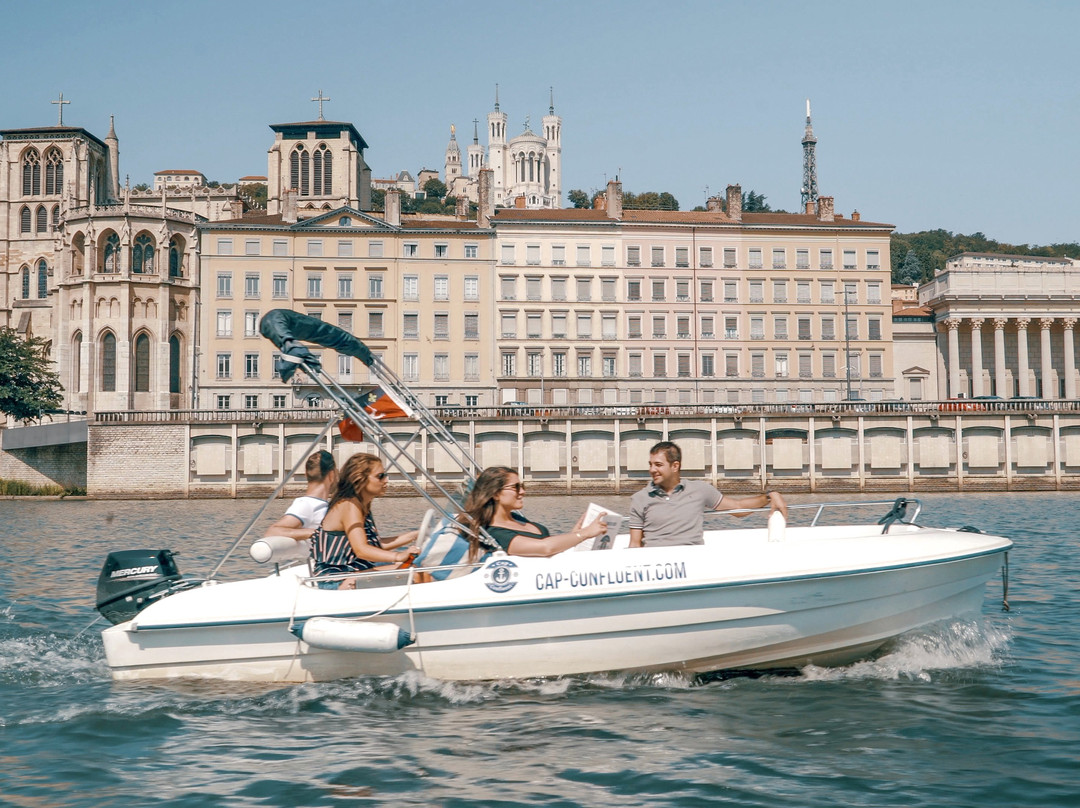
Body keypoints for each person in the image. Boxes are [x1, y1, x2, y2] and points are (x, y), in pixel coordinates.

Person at [629, 441, 787, 548]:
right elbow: (635, 545)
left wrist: (769, 496)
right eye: (650, 464)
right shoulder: (640, 499)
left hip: (693, 563)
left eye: (658, 465)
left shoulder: (699, 490)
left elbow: (738, 508)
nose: (652, 470)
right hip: (658, 568)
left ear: (675, 466)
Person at [310, 453, 420, 587]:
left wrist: (415, 535)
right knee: (415, 572)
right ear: (360, 479)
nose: (386, 480)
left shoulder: (362, 505)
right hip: (336, 579)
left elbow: (374, 545)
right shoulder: (349, 505)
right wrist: (398, 556)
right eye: (380, 476)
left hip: (354, 570)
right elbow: (361, 549)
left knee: (419, 567)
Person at [460, 466, 608, 559]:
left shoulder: (517, 519)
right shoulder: (494, 533)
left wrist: (574, 534)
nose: (522, 492)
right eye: (515, 487)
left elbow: (548, 545)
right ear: (496, 494)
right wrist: (584, 534)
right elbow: (545, 548)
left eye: (522, 486)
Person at [264, 450, 337, 540]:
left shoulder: (322, 505)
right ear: (331, 475)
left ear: (306, 475)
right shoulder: (306, 504)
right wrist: (318, 533)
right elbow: (273, 532)